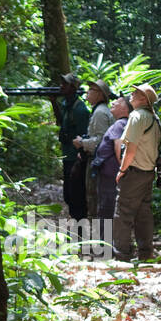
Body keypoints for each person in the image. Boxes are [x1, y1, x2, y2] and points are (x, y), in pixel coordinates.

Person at [114, 83, 160, 262]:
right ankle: (145, 253)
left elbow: (130, 149)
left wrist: (122, 169)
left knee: (123, 212)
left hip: (134, 172)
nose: (131, 95)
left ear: (143, 99)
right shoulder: (153, 118)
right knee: (143, 213)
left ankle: (122, 254)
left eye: (135, 93)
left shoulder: (137, 116)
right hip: (148, 172)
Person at [50, 74, 89, 220]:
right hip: (68, 157)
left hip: (76, 159)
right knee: (69, 195)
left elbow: (85, 136)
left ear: (73, 88)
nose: (61, 87)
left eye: (65, 84)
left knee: (76, 197)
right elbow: (62, 122)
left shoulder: (80, 110)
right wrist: (54, 103)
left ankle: (81, 231)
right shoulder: (68, 105)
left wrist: (80, 161)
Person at [73, 80, 114, 220]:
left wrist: (82, 143)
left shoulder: (100, 113)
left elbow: (102, 140)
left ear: (100, 95)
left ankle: (100, 237)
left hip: (98, 162)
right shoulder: (99, 110)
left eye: (91, 90)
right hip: (99, 161)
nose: (87, 92)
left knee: (95, 199)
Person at [91, 95, 130, 219]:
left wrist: (121, 170)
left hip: (111, 175)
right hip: (110, 174)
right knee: (106, 207)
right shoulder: (122, 123)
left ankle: (103, 238)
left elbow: (119, 148)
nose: (113, 103)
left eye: (118, 102)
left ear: (126, 109)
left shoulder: (120, 124)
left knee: (106, 208)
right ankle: (104, 237)